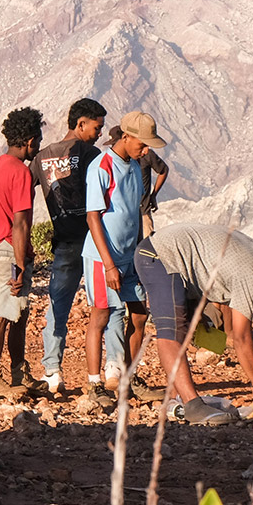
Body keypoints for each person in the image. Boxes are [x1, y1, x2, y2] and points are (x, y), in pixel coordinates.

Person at [133, 223, 253, 423]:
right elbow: (242, 336)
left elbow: (232, 329)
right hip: (161, 256)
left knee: (184, 330)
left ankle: (176, 398)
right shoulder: (252, 271)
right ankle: (192, 405)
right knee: (171, 332)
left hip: (171, 258)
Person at [31, 98, 125, 392]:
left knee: (58, 306)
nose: (99, 133)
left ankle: (52, 371)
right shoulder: (90, 155)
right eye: (96, 127)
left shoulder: (41, 158)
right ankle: (113, 367)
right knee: (111, 304)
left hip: (65, 241)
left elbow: (24, 195)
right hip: (95, 242)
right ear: (80, 123)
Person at [80, 111, 163, 413]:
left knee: (139, 315)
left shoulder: (134, 166)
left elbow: (134, 215)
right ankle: (93, 384)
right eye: (142, 144)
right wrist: (109, 264)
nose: (146, 151)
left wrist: (141, 255)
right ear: (126, 137)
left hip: (130, 256)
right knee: (100, 317)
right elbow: (93, 217)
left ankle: (129, 376)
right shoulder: (102, 165)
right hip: (105, 258)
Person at [0, 107, 44, 399]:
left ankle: (18, 372)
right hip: (9, 252)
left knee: (19, 313)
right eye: (36, 141)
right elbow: (20, 223)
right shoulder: (22, 174)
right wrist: (20, 263)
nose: (37, 147)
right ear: (27, 140)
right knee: (2, 314)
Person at [107, 123, 170, 234]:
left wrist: (153, 195)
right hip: (122, 216)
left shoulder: (145, 155)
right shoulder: (111, 162)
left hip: (143, 213)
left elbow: (163, 170)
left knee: (145, 248)